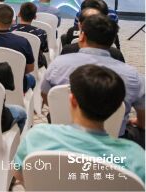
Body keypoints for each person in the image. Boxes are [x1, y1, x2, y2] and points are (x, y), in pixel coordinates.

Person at [13, 65, 145, 186]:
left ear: (73, 100)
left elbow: (20, 174)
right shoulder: (136, 157)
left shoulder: (37, 137)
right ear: (117, 109)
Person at [42, 14, 145, 147]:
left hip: (64, 134)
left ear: (82, 36)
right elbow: (143, 116)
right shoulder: (132, 75)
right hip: (113, 140)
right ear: (113, 41)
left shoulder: (58, 64)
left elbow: (47, 96)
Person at [0, 4, 36, 92]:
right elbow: (30, 68)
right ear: (12, 21)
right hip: (15, 86)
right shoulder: (23, 42)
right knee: (32, 79)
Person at [11, 2, 49, 68]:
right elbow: (45, 50)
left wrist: (17, 19)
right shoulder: (41, 33)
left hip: (13, 63)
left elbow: (17, 24)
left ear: (19, 14)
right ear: (35, 17)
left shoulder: (10, 29)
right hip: (34, 65)